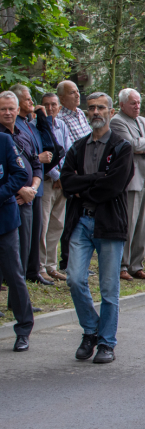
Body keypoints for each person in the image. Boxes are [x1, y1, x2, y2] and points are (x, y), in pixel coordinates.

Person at [60, 92, 135, 364]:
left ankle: (106, 343)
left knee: (109, 288)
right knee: (75, 279)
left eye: (100, 107)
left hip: (109, 224)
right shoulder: (78, 148)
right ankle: (91, 330)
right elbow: (67, 182)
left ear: (110, 111)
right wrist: (94, 181)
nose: (95, 112)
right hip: (80, 222)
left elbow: (114, 185)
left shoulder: (121, 147)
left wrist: (84, 186)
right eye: (91, 108)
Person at [110, 89, 145, 280]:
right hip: (131, 179)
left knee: (142, 225)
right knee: (128, 223)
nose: (137, 106)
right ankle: (122, 265)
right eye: (133, 103)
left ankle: (136, 265)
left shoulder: (144, 121)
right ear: (122, 105)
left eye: (138, 102)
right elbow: (131, 146)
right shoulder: (117, 122)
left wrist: (143, 145)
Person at [12, 85, 55, 286]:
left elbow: (51, 147)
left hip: (35, 186)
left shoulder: (30, 124)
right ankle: (17, 275)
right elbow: (23, 157)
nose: (32, 102)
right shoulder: (15, 126)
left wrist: (42, 118)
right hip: (21, 189)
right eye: (28, 99)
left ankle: (32, 270)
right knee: (22, 237)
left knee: (35, 233)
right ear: (17, 102)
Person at [0, 91, 41, 283]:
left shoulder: (23, 134)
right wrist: (20, 189)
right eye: (3, 109)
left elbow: (36, 164)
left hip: (28, 199)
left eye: (11, 108)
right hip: (8, 200)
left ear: (18, 110)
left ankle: (18, 300)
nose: (7, 112)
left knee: (24, 250)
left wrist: (32, 187)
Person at [1, 125, 33, 351]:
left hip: (4, 220)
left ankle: (23, 329)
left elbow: (21, 173)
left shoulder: (4, 141)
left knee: (14, 275)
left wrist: (1, 194)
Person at [38, 92, 72, 281]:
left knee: (57, 226)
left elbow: (68, 151)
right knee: (43, 227)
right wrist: (56, 175)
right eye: (46, 105)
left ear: (59, 107)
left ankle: (51, 265)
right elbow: (41, 155)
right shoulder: (38, 126)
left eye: (53, 105)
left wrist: (64, 176)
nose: (50, 108)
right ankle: (40, 266)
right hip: (47, 181)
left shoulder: (62, 126)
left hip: (62, 183)